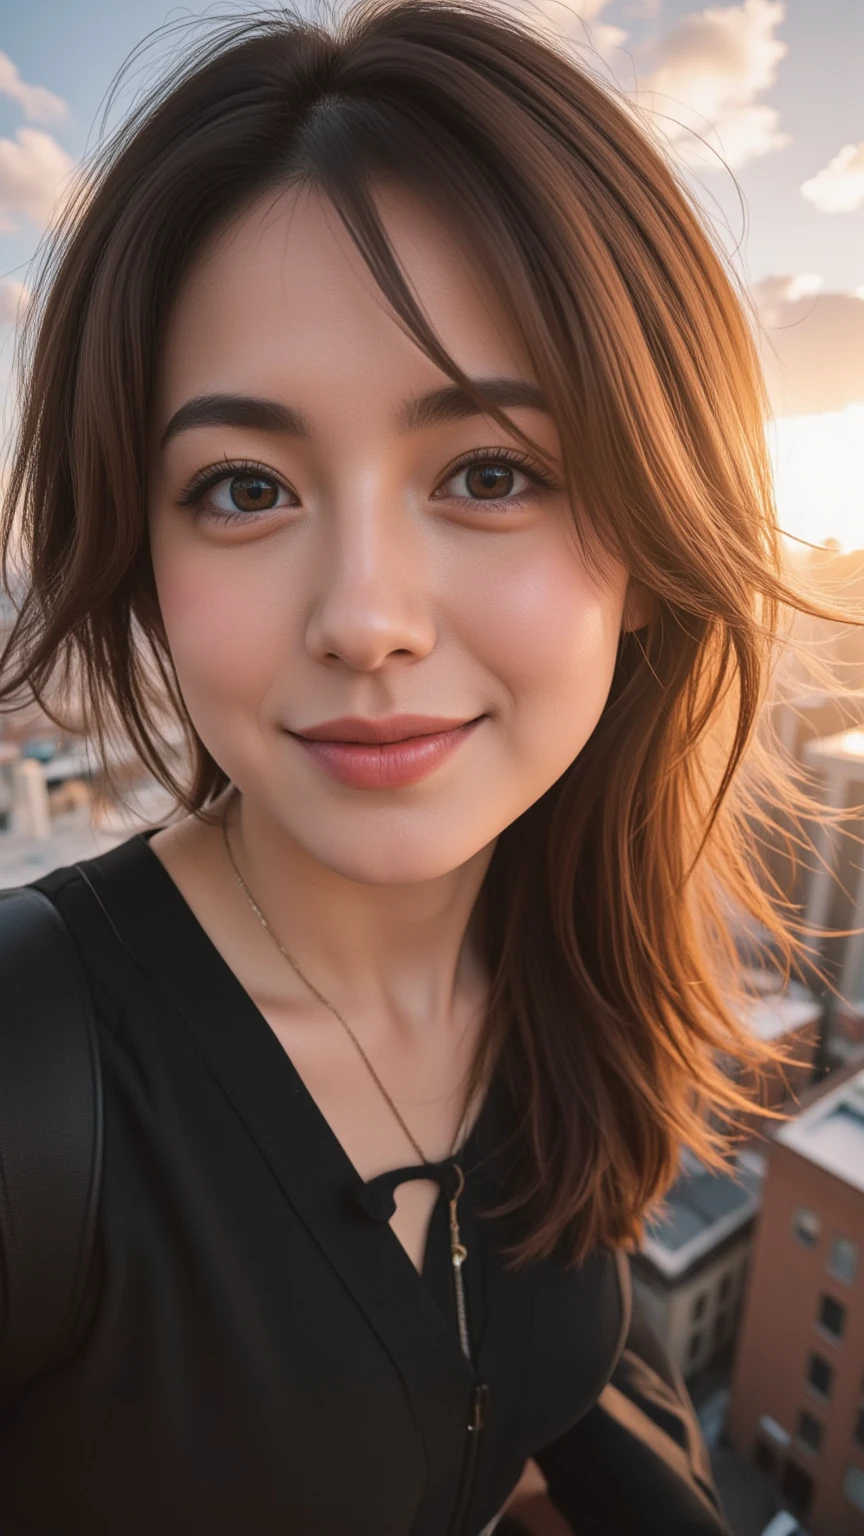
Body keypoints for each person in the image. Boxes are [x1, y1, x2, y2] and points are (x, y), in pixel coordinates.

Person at [1, 2, 859, 1532]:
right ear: (142, 559)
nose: (366, 621)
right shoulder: (31, 1072)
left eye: (490, 473)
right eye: (246, 487)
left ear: (652, 546)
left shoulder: (567, 957)